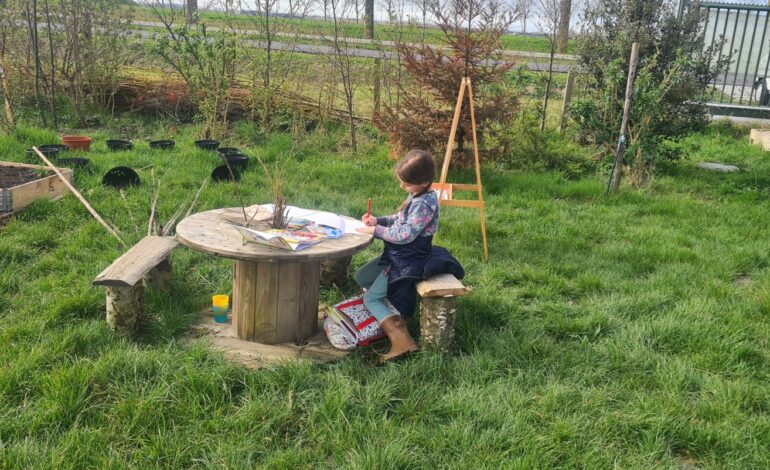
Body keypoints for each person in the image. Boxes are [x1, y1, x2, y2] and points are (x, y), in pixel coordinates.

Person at [355, 149, 440, 362]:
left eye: (407, 183)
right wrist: (379, 221)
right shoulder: (419, 194)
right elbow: (401, 219)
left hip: (407, 258)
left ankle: (402, 339)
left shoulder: (423, 203)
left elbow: (404, 234)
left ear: (425, 181)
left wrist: (375, 231)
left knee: (371, 298)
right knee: (362, 277)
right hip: (399, 254)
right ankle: (390, 314)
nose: (403, 186)